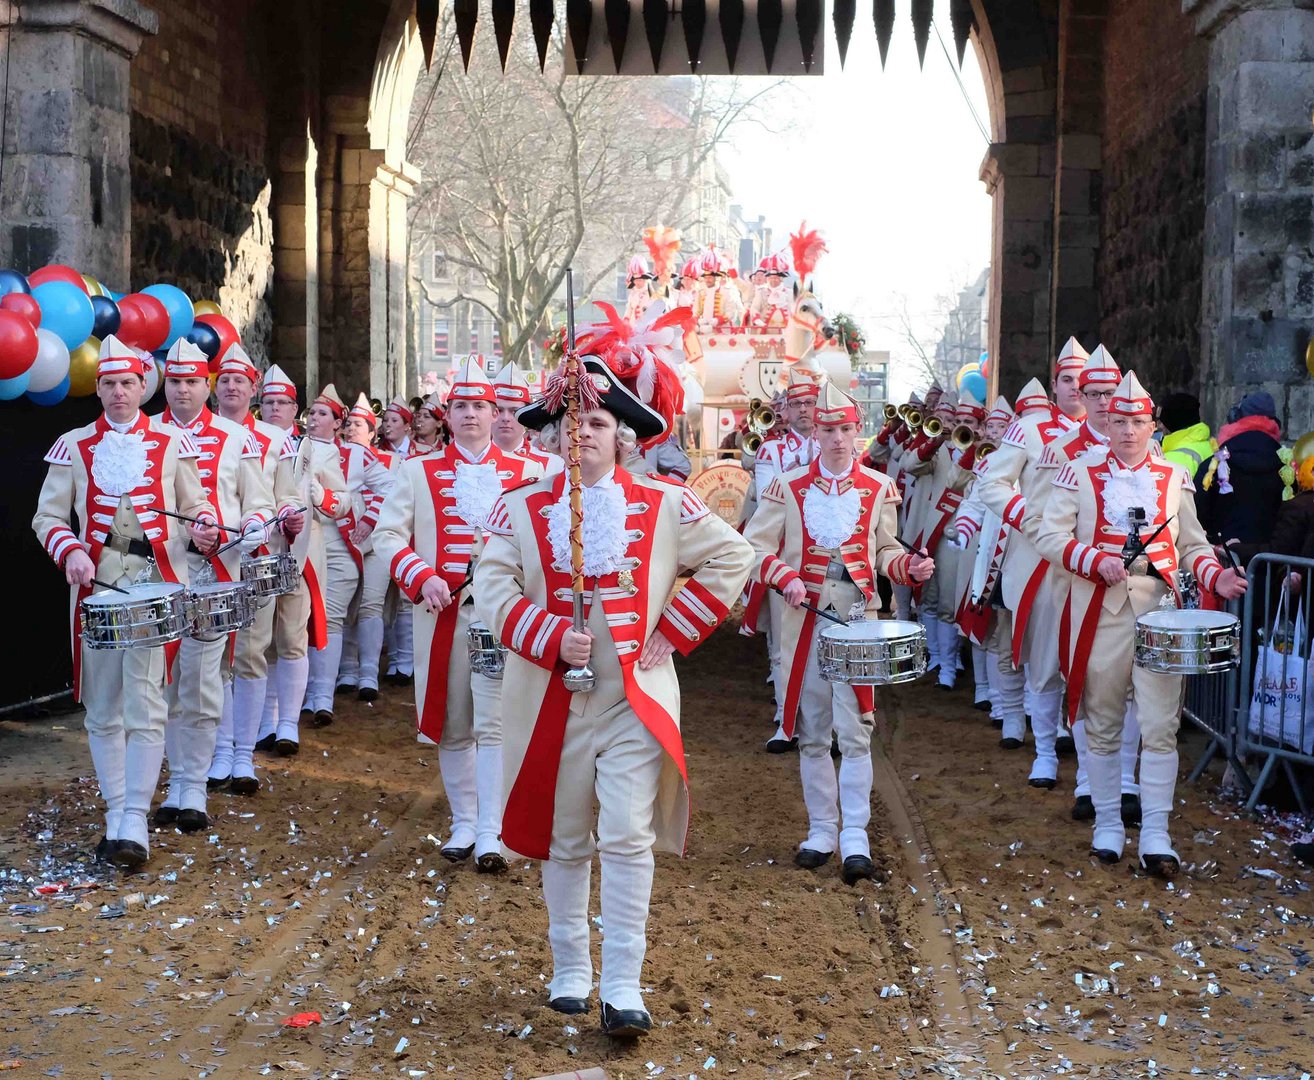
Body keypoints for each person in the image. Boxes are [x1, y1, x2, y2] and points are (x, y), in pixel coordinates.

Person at [475, 356, 753, 1038]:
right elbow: (491, 586)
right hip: (551, 696)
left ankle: (624, 985)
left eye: (597, 422)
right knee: (566, 835)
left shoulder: (664, 501)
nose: (583, 434)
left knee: (627, 833)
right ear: (549, 436)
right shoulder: (518, 506)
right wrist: (543, 634)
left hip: (634, 696)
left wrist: (674, 630)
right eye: (571, 423)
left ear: (621, 435)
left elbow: (733, 557)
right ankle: (570, 969)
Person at [1035, 371, 1246, 876]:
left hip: (1160, 614)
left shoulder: (1174, 478)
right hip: (1099, 614)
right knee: (1103, 724)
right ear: (1107, 424)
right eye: (1120, 421)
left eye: (1138, 422)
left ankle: (1155, 833)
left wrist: (1216, 576)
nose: (1128, 430)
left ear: (1152, 426)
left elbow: (1191, 544)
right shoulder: (1078, 473)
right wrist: (1090, 560)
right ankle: (1107, 824)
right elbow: (1048, 535)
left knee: (1159, 727)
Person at [32, 335, 217, 869]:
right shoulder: (74, 444)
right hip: (97, 589)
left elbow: (195, 503)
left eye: (127, 383)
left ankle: (136, 817)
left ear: (143, 386)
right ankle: (116, 811)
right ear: (100, 390)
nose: (118, 393)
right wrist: (70, 552)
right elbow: (47, 517)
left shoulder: (170, 444)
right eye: (109, 384)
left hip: (155, 585)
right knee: (103, 705)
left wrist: (202, 524)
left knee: (147, 702)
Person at [745, 380, 933, 883]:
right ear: (817, 433)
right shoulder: (787, 486)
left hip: (858, 619)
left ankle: (856, 834)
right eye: (828, 429)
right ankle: (822, 829)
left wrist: (907, 568)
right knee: (812, 728)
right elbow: (753, 547)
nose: (836, 438)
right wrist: (782, 575)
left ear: (858, 430)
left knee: (856, 730)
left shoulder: (878, 488)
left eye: (846, 429)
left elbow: (885, 551)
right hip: (802, 617)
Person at [373, 357, 545, 871]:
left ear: (497, 414)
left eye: (481, 406)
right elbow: (386, 535)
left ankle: (492, 830)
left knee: (494, 723)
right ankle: (464, 821)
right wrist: (419, 575)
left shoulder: (528, 473)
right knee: (451, 724)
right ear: (448, 415)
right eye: (462, 406)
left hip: (501, 617)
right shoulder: (417, 470)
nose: (471, 415)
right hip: (440, 613)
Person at [153, 339, 274, 832]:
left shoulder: (233, 436)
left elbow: (259, 503)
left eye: (191, 382)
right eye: (175, 382)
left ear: (207, 385)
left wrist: (251, 529)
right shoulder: (147, 432)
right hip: (157, 575)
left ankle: (194, 788)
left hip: (216, 573)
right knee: (160, 687)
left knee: (202, 684)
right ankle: (174, 779)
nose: (183, 391)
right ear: (164, 384)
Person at [1030, 345, 1145, 825]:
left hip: (1135, 593)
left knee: (1135, 688)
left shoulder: (1144, 445)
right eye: (1091, 393)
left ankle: (1127, 782)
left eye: (1107, 393)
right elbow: (1041, 523)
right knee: (1083, 679)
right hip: (1075, 584)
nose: (1100, 403)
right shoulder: (1060, 451)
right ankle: (1085, 781)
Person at [975, 337, 1088, 790]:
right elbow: (991, 481)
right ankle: (1043, 751)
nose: (1076, 388)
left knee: (1089, 662)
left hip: (1093, 566)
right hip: (1042, 561)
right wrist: (1027, 518)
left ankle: (1086, 757)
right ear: (1055, 383)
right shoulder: (1030, 428)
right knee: (1042, 659)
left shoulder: (1112, 432)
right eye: (1067, 379)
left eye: (1086, 382)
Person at [207, 345, 297, 795]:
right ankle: (219, 750)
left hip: (258, 560)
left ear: (253, 388)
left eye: (239, 380)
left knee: (251, 653)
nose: (231, 386)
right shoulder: (192, 434)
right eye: (223, 379)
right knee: (213, 656)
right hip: (210, 560)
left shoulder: (276, 440)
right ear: (214, 386)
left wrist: (289, 515)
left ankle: (243, 753)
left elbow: (286, 494)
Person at [754, 363, 821, 753]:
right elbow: (769, 500)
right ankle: (786, 720)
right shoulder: (771, 449)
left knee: (825, 642)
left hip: (827, 553)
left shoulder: (836, 444)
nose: (804, 411)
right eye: (796, 404)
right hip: (786, 554)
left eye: (811, 403)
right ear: (786, 410)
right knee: (784, 645)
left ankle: (823, 723)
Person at [251, 365, 314, 754]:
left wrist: (321, 498)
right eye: (269, 402)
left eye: (283, 403)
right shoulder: (248, 442)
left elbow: (342, 498)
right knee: (255, 644)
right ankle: (263, 723)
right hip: (256, 556)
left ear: (295, 409)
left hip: (298, 557)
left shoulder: (315, 448)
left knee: (291, 638)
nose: (275, 408)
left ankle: (289, 723)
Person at [334, 394, 396, 702]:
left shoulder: (387, 459)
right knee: (346, 605)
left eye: (359, 425)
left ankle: (369, 672)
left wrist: (370, 520)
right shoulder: (335, 455)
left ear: (373, 432)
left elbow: (391, 491)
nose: (352, 429)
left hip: (376, 539)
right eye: (348, 424)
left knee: (371, 604)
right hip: (346, 539)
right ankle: (347, 668)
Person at [1195, 390, 1284, 565]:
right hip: (1271, 574)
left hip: (1221, 568)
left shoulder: (1213, 466)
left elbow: (1196, 515)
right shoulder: (1287, 469)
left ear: (1235, 418)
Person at [492, 358, 562, 474]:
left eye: (514, 411)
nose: (505, 418)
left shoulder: (551, 464)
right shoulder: (471, 462)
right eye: (499, 410)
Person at [1156, 392, 1212, 474]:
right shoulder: (1210, 446)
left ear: (1173, 422)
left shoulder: (1172, 460)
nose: (1158, 427)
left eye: (1161, 421)